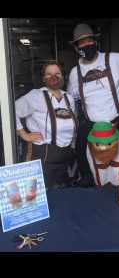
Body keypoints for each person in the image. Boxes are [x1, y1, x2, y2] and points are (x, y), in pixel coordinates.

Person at [67, 23, 119, 187]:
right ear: (76, 48)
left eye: (89, 41)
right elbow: (70, 101)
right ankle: (88, 181)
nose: (87, 45)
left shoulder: (115, 59)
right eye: (82, 43)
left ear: (95, 42)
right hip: (92, 127)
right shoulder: (75, 73)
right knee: (83, 157)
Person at [15, 61, 78, 189]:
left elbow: (71, 122)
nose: (53, 77)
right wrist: (24, 135)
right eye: (49, 74)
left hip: (64, 155)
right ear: (43, 78)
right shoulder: (35, 96)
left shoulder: (68, 98)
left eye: (57, 73)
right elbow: (11, 111)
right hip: (41, 154)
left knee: (57, 193)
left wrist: (73, 141)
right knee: (34, 195)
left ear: (63, 77)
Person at [87, 121, 119, 186]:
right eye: (98, 144)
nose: (103, 148)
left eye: (108, 143)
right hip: (100, 189)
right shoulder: (89, 145)